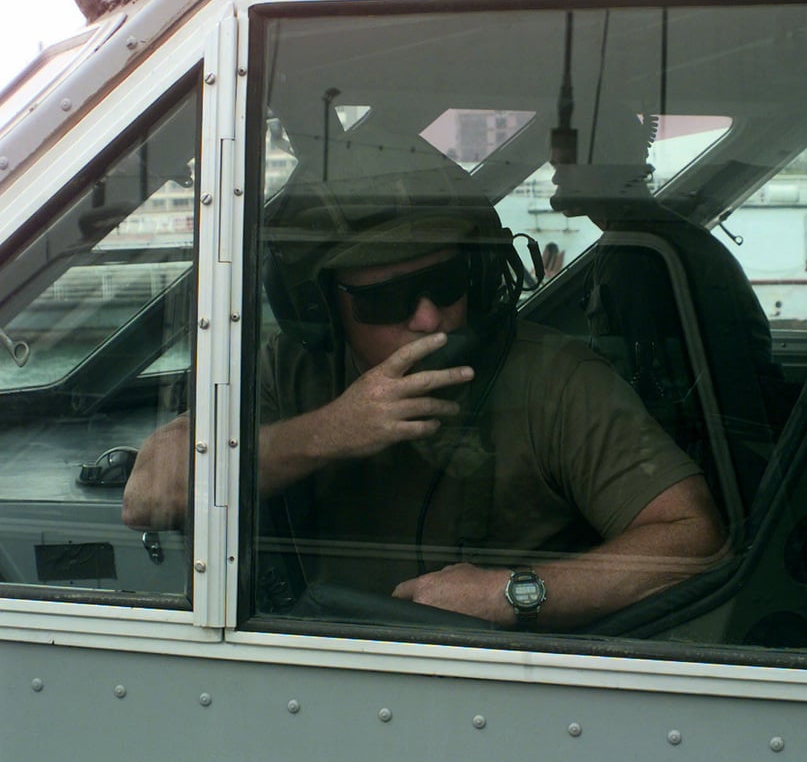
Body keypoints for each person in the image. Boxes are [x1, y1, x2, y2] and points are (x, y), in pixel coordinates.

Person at [124, 130, 727, 630]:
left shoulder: (553, 378)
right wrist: (329, 432)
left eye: (447, 283)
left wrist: (513, 594)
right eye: (386, 299)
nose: (429, 317)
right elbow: (151, 495)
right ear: (321, 310)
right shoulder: (292, 370)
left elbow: (695, 537)